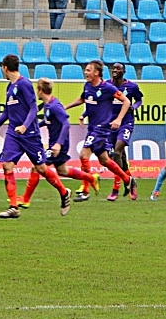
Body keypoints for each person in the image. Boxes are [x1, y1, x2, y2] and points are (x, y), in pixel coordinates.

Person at [0, 54, 72, 219]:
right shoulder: (9, 87)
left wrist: (25, 126)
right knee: (7, 166)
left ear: (5, 68)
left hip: (30, 135)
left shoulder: (24, 84)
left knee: (42, 169)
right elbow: (7, 112)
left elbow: (33, 109)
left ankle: (64, 193)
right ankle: (13, 207)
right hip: (13, 134)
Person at [18, 78, 102, 208]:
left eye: (37, 90)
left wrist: (58, 144)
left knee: (37, 167)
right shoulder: (48, 104)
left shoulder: (55, 106)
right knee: (62, 171)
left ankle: (25, 199)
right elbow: (47, 121)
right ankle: (91, 178)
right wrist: (30, 127)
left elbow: (66, 124)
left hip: (58, 144)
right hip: (55, 143)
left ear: (40, 91)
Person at [63, 60, 136, 201]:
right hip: (92, 128)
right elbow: (82, 99)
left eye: (88, 70)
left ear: (96, 72)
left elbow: (126, 101)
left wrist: (119, 119)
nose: (85, 72)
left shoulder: (107, 88)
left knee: (84, 155)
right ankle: (127, 179)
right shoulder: (87, 86)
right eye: (85, 70)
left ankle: (85, 189)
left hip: (101, 129)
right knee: (104, 160)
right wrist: (66, 107)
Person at [106, 63, 142, 201]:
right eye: (113, 68)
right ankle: (131, 181)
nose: (115, 70)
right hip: (110, 123)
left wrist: (134, 106)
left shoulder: (131, 87)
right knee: (121, 160)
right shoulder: (106, 86)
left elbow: (139, 100)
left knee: (116, 153)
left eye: (118, 68)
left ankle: (115, 189)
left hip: (126, 123)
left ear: (124, 71)